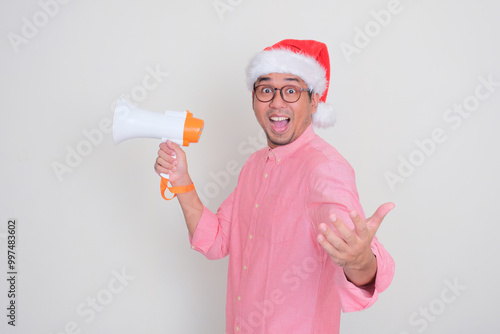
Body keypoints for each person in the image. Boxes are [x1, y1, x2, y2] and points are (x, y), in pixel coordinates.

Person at [154, 39, 395, 334]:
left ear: (315, 100)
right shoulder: (255, 165)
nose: (277, 102)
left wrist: (359, 260)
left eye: (291, 90)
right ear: (254, 99)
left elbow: (359, 258)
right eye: (266, 90)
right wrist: (181, 180)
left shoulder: (324, 169)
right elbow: (215, 240)